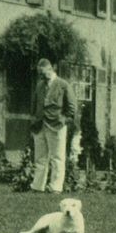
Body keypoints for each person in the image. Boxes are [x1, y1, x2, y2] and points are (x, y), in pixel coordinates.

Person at [29, 58, 77, 194]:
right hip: (40, 125)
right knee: (40, 158)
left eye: (43, 73)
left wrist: (63, 121)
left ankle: (55, 187)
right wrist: (34, 119)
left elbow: (72, 108)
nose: (41, 76)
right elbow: (34, 105)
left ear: (50, 69)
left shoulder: (63, 85)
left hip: (57, 126)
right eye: (39, 73)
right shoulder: (39, 86)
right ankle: (37, 186)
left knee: (57, 157)